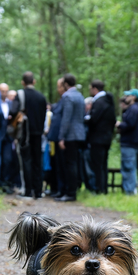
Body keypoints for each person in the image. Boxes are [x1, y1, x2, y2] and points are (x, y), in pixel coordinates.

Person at [16, 72, 48, 199]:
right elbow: (44, 115)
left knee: (26, 160)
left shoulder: (21, 95)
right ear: (34, 82)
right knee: (37, 161)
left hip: (25, 133)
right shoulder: (41, 97)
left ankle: (28, 191)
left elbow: (14, 111)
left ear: (23, 82)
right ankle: (38, 191)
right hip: (38, 133)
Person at [56, 73, 86, 202]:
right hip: (80, 133)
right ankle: (73, 190)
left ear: (66, 84)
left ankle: (70, 193)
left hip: (70, 135)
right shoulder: (80, 95)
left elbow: (66, 119)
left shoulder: (67, 96)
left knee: (70, 164)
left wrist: (61, 136)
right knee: (75, 162)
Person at [86, 79, 116, 194]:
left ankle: (99, 189)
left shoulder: (98, 102)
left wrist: (87, 119)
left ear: (94, 89)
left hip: (97, 138)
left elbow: (93, 119)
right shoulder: (109, 102)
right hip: (107, 138)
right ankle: (104, 188)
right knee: (103, 164)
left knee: (97, 165)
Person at [116, 95, 138, 194]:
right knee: (129, 165)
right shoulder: (133, 109)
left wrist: (119, 125)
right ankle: (129, 189)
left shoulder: (133, 110)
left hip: (129, 142)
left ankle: (130, 190)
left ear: (133, 97)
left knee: (128, 166)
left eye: (128, 95)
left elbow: (130, 124)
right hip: (130, 142)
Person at [46, 77, 67, 197]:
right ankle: (58, 189)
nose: (58, 89)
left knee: (62, 166)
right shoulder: (61, 101)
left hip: (61, 139)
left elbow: (64, 121)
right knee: (56, 165)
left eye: (59, 86)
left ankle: (62, 189)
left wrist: (61, 137)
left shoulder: (66, 100)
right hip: (56, 139)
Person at [0, 85, 16, 192]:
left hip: (8, 137)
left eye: (6, 91)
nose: (4, 93)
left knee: (8, 159)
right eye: (2, 91)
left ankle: (6, 182)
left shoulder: (11, 104)